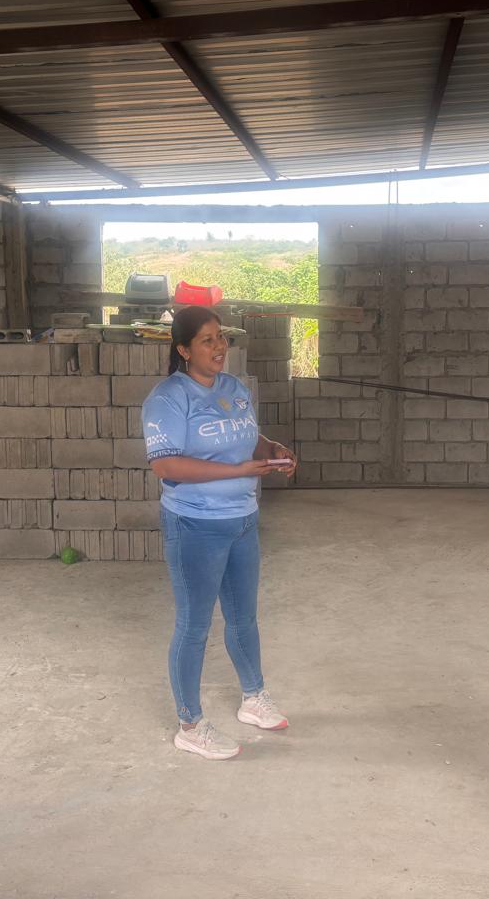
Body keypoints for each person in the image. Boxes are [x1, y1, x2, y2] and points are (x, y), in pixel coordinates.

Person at [142, 305, 298, 761]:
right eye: (207, 340)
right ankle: (190, 724)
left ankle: (253, 697)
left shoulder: (233, 388)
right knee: (193, 626)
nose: (219, 347)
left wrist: (273, 449)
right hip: (195, 524)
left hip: (242, 520)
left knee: (243, 617)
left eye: (221, 337)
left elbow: (247, 437)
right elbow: (166, 466)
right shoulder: (168, 398)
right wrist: (239, 470)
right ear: (183, 349)